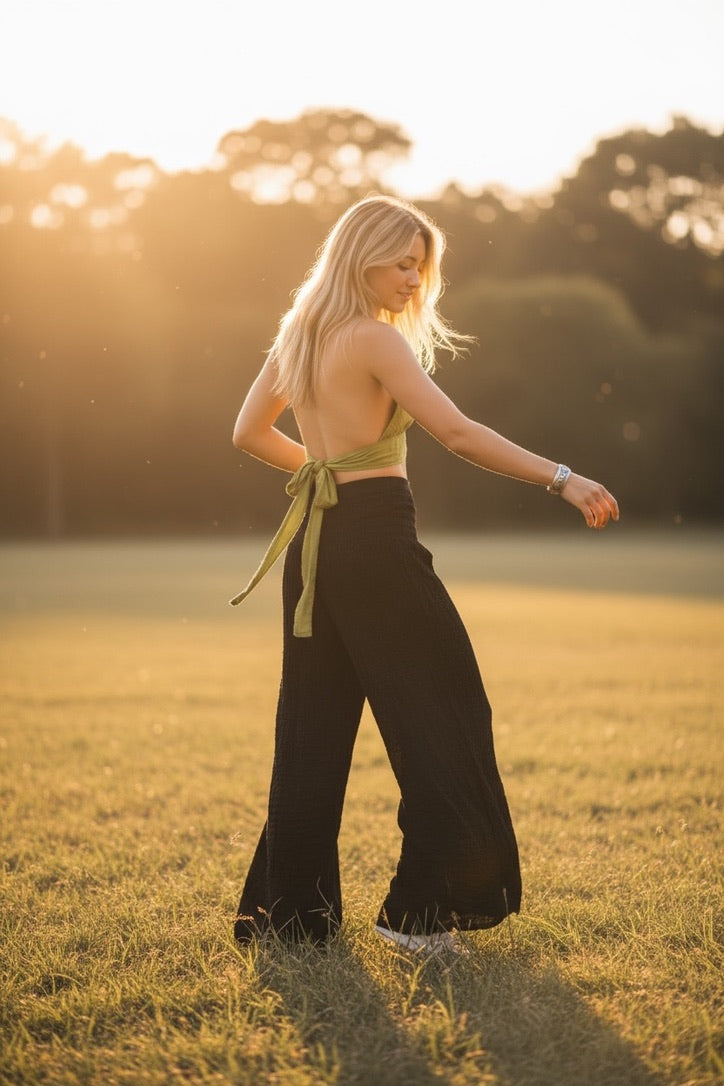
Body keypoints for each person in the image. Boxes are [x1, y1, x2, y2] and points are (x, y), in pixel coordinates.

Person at [229, 193, 619, 952]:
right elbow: (457, 432)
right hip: (374, 544)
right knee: (448, 714)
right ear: (362, 257)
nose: (414, 279)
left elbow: (247, 432)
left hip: (317, 547)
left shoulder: (300, 335)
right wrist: (562, 476)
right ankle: (417, 916)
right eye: (402, 263)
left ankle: (292, 920)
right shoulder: (375, 340)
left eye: (421, 265)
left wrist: (323, 471)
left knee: (312, 733)